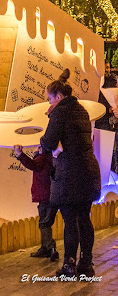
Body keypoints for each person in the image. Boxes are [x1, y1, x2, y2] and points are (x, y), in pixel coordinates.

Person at [40, 69, 101, 277]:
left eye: (50, 99)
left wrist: (48, 128)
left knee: (69, 221)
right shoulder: (81, 110)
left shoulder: (60, 112)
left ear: (59, 96)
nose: (49, 104)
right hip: (88, 171)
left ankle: (69, 265)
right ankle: (86, 264)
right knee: (84, 218)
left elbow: (48, 142)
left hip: (70, 174)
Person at [13, 144, 58, 262]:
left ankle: (50, 248)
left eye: (39, 147)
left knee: (44, 223)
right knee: (45, 222)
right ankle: (45, 247)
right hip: (53, 196)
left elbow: (31, 164)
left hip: (45, 197)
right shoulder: (52, 159)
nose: (36, 149)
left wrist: (19, 154)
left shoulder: (42, 159)